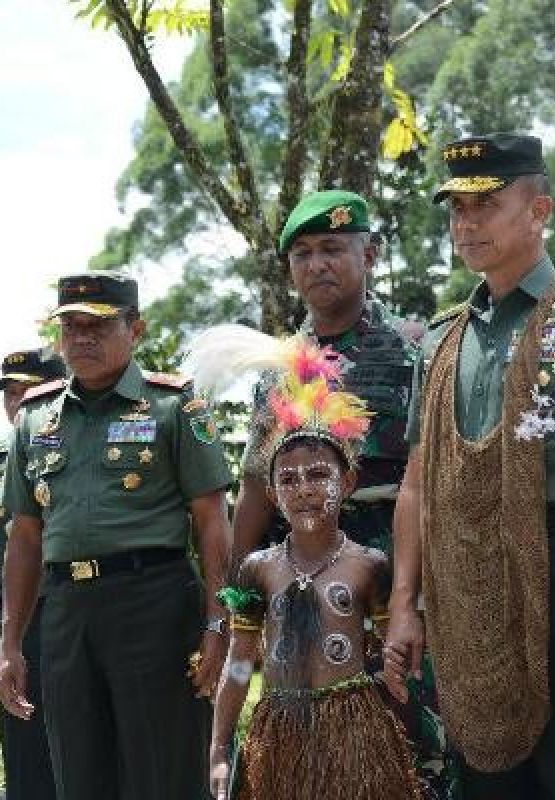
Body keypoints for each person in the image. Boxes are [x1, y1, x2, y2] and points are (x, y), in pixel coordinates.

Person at [383, 133, 555, 800]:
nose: (465, 224)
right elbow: (417, 483)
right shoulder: (442, 338)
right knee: (490, 775)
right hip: (469, 582)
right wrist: (403, 604)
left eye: (486, 205)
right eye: (456, 209)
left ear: (540, 210)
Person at [232, 189, 456, 797]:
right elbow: (256, 488)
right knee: (313, 751)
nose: (317, 264)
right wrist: (228, 595)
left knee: (413, 735)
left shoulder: (418, 348)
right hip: (301, 577)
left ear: (370, 254)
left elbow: (436, 474)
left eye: (332, 248)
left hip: (395, 566)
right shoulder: (279, 370)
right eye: (302, 253)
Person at [0, 272, 232, 800]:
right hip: (65, 613)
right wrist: (10, 642)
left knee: (162, 773)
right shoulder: (35, 418)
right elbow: (25, 537)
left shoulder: (174, 406)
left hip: (154, 605)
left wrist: (218, 624)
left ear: (137, 330)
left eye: (98, 326)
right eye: (71, 327)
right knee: (78, 775)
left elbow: (213, 525)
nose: (81, 338)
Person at [208, 339, 420, 800]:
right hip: (278, 732)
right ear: (271, 492)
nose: (303, 488)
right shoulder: (256, 569)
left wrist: (400, 687)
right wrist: (220, 749)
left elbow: (395, 659)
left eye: (318, 475)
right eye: (287, 478)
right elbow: (240, 662)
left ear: (346, 483)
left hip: (356, 733)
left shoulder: (369, 565)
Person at [0, 347, 64, 800]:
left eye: (28, 392)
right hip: (13, 622)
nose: (17, 403)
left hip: (62, 613)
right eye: (9, 393)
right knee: (23, 761)